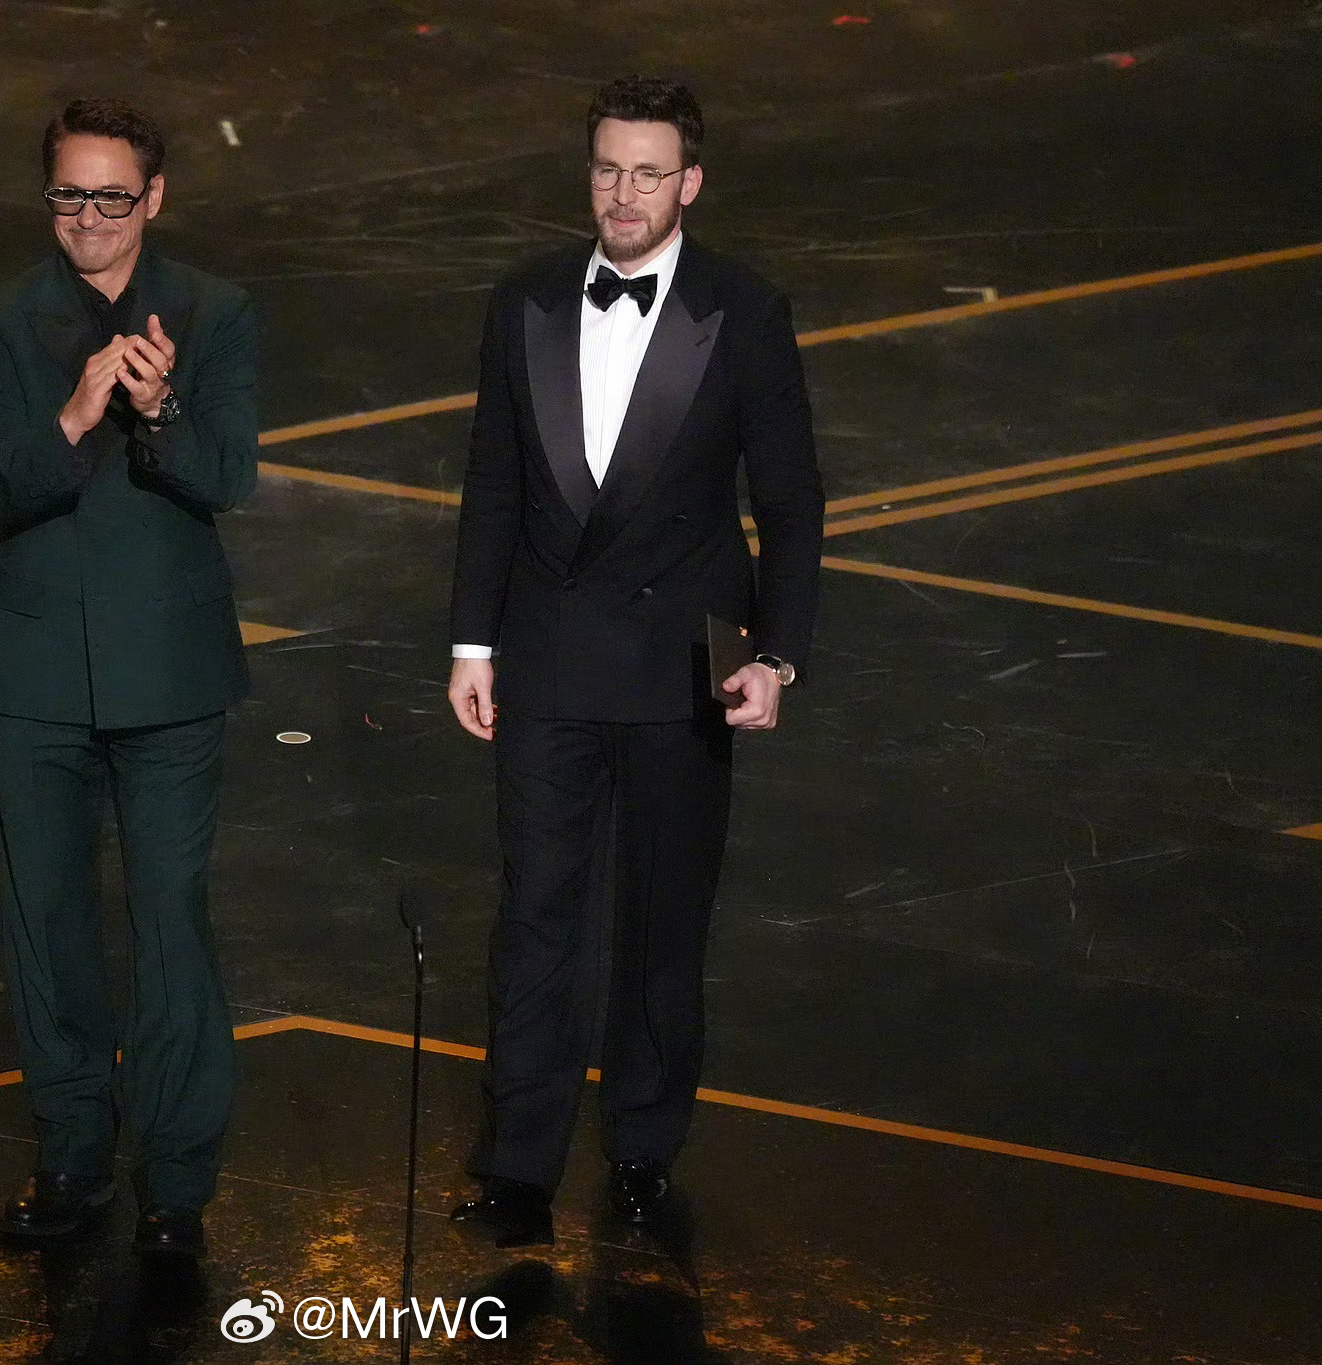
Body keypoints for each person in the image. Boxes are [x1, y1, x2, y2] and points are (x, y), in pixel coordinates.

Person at [445, 75, 824, 1246]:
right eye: (608, 169)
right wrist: (470, 641)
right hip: (546, 657)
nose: (623, 193)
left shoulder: (742, 309)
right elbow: (493, 484)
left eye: (648, 173)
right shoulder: (523, 300)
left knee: (663, 921)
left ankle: (644, 1151)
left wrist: (775, 657)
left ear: (688, 183)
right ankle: (517, 1165)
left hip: (682, 665)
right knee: (536, 917)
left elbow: (789, 501)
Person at [0, 97, 258, 1258]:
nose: (88, 218)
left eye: (111, 197)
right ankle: (72, 1153)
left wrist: (161, 407)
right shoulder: (1, 318)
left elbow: (226, 476)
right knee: (46, 922)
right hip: (34, 673)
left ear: (153, 198)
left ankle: (175, 1183)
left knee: (170, 926)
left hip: (169, 674)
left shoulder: (213, 312)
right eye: (69, 195)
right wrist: (75, 417)